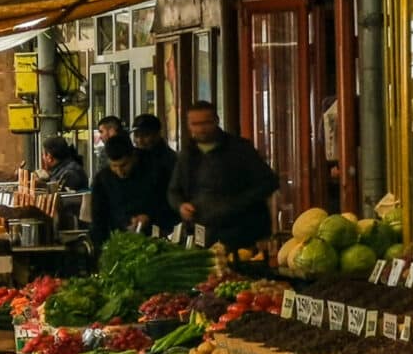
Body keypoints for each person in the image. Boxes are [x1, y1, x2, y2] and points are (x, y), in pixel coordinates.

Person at [168, 101, 280, 250]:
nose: (200, 129)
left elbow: (269, 182)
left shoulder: (240, 149)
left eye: (205, 123)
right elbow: (174, 190)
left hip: (241, 231)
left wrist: (235, 204)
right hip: (203, 232)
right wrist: (181, 205)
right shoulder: (188, 154)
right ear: (188, 125)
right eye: (195, 124)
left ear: (216, 121)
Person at [89, 134, 177, 247]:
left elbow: (168, 204)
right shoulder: (103, 179)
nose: (120, 171)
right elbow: (98, 217)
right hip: (117, 241)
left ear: (133, 156)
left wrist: (149, 216)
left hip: (154, 239)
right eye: (114, 166)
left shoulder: (155, 172)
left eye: (124, 165)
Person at [131, 113, 178, 190]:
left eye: (145, 135)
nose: (140, 140)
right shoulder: (132, 157)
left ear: (158, 134)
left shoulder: (170, 159)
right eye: (136, 135)